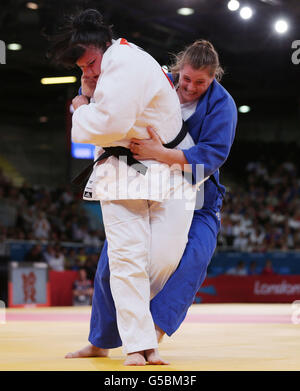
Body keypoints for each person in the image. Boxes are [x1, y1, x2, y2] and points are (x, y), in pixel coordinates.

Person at [65, 39, 237, 361]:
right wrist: (87, 93)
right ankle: (100, 341)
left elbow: (211, 158)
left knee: (192, 261)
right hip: (145, 182)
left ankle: (150, 336)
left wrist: (163, 153)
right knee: (111, 265)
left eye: (201, 82)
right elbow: (117, 100)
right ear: (178, 70)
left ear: (214, 77)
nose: (190, 87)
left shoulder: (222, 105)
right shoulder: (159, 82)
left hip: (200, 196)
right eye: (186, 79)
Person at [48, 9, 197, 365]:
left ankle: (138, 336)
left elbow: (110, 122)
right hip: (118, 167)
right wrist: (89, 95)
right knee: (126, 258)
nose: (87, 73)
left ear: (104, 46)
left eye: (90, 64)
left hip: (168, 165)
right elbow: (108, 128)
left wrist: (82, 106)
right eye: (81, 68)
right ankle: (139, 347)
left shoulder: (125, 61)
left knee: (164, 258)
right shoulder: (107, 65)